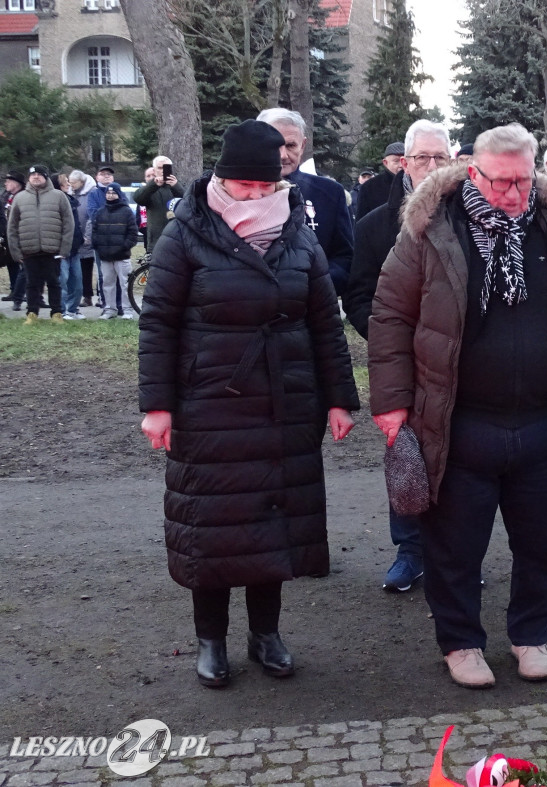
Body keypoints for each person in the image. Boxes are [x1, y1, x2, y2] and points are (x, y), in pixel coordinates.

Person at [367, 123, 547, 689]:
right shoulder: (432, 230)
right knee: (454, 544)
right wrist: (392, 404)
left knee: (543, 541)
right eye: (501, 182)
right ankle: (460, 642)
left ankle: (531, 635)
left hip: (544, 422)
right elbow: (390, 318)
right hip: (457, 421)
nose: (513, 194)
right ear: (472, 171)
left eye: (524, 181)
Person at [138, 119, 359, 689]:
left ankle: (267, 633)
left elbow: (323, 322)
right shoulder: (185, 232)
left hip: (286, 399)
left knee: (273, 521)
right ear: (222, 179)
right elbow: (158, 324)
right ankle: (211, 640)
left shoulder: (297, 231)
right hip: (209, 400)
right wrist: (157, 404)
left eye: (266, 189)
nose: (257, 197)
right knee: (213, 525)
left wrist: (339, 398)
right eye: (245, 188)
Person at [344, 118, 452, 593]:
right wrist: (392, 341)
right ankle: (409, 550)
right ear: (403, 163)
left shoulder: (473, 216)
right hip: (402, 362)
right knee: (406, 456)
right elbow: (359, 295)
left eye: (440, 157)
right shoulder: (373, 226)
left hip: (458, 361)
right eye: (422, 157)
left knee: (458, 457)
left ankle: (455, 551)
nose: (431, 166)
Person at [257, 108, 356, 299]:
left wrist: (313, 286)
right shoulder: (236, 192)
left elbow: (345, 258)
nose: (283, 155)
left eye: (290, 145)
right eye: (275, 145)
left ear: (302, 146)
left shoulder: (330, 193)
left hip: (311, 309)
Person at [7, 164, 74, 324]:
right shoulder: (20, 197)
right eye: (32, 175)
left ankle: (57, 313)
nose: (36, 177)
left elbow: (68, 224)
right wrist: (16, 252)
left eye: (39, 174)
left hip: (52, 249)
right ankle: (32, 313)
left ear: (45, 177)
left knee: (54, 282)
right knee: (32, 283)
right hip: (29, 249)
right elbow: (12, 226)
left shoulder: (59, 196)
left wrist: (64, 248)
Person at [91, 183, 138, 321]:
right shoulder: (100, 212)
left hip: (122, 256)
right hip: (105, 256)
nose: (110, 196)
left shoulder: (126, 211)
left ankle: (127, 310)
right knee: (107, 284)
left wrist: (125, 246)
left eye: (113, 193)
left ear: (119, 194)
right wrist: (98, 247)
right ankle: (110, 309)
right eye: (108, 193)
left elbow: (132, 233)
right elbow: (95, 231)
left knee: (125, 284)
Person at [132, 156, 185, 251]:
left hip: (179, 240)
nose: (163, 171)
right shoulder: (151, 188)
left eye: (166, 167)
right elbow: (138, 198)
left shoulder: (178, 184)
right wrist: (154, 184)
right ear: (154, 170)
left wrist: (176, 186)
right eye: (160, 168)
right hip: (156, 241)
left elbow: (189, 203)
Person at [54, 174, 86, 320]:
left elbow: (75, 224)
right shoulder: (57, 201)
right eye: (66, 182)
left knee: (77, 282)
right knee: (63, 282)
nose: (69, 183)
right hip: (61, 249)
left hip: (75, 248)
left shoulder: (72, 200)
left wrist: (80, 238)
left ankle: (73, 309)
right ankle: (62, 310)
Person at [67, 170, 98, 308]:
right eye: (70, 182)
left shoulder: (91, 193)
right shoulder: (71, 193)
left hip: (87, 237)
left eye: (74, 183)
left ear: (82, 182)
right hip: (74, 237)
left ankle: (88, 296)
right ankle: (76, 295)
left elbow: (91, 216)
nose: (71, 185)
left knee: (86, 268)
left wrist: (88, 236)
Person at [355, 141, 405, 222]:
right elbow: (360, 222)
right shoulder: (369, 187)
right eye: (396, 161)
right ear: (385, 163)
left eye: (404, 160)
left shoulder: (416, 183)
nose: (401, 165)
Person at [1, 170, 26, 309]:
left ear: (16, 183)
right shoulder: (7, 196)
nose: (6, 183)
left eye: (9, 181)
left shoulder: (22, 197)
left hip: (21, 235)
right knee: (12, 263)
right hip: (9, 235)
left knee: (24, 266)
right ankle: (14, 290)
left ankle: (21, 294)